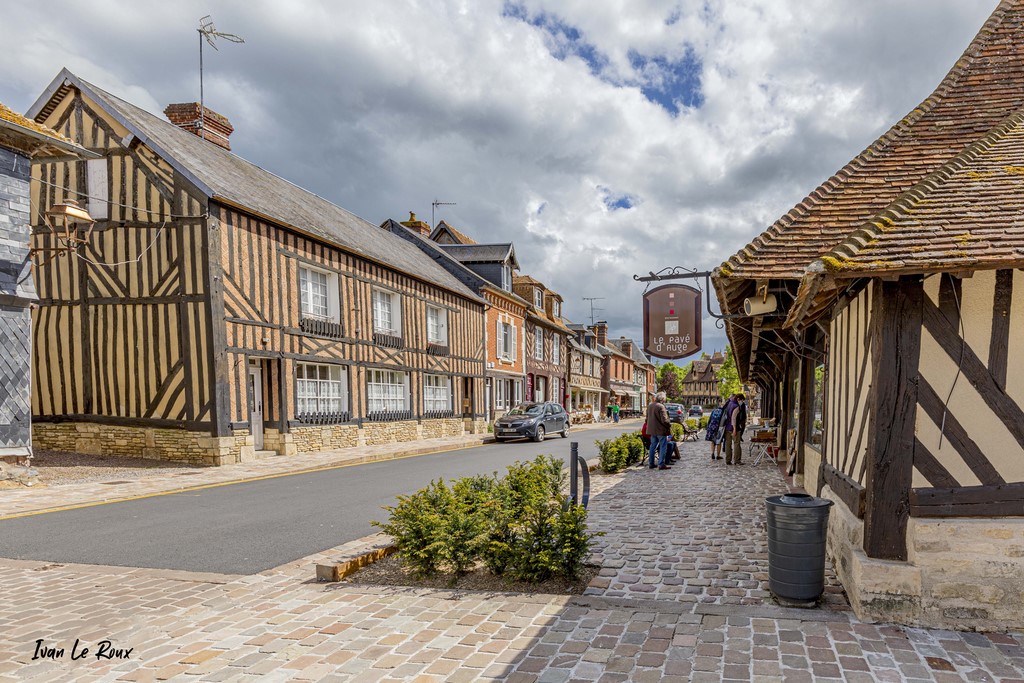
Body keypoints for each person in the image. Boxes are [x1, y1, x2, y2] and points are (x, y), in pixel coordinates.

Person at [645, 392, 672, 470]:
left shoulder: (650, 406)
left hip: (652, 430)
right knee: (663, 446)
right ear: (662, 399)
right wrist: (669, 425)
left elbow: (646, 419)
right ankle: (661, 464)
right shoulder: (661, 406)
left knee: (652, 446)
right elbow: (664, 420)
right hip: (660, 430)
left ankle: (651, 463)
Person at [724, 393, 747, 465]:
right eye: (742, 400)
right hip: (734, 427)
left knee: (728, 444)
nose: (742, 402)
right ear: (738, 399)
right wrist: (734, 429)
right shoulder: (736, 406)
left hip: (727, 427)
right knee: (737, 443)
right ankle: (737, 460)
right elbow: (733, 418)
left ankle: (728, 460)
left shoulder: (729, 403)